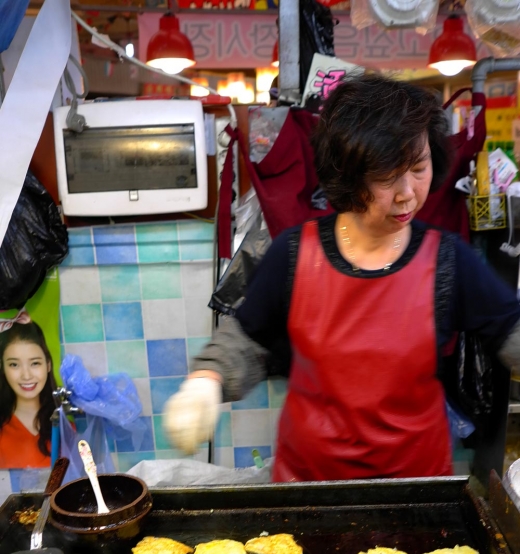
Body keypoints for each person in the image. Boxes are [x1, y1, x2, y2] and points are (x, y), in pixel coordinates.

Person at [163, 72, 520, 482]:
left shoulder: (448, 260)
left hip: (416, 493)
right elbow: (246, 339)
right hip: (309, 489)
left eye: (418, 167)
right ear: (349, 174)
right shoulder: (294, 254)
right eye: (387, 177)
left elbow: (510, 329)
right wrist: (205, 382)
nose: (407, 192)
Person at [0, 316, 56, 469]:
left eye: (35, 363)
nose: (26, 375)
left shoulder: (65, 428)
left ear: (48, 365)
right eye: (14, 364)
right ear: (3, 369)